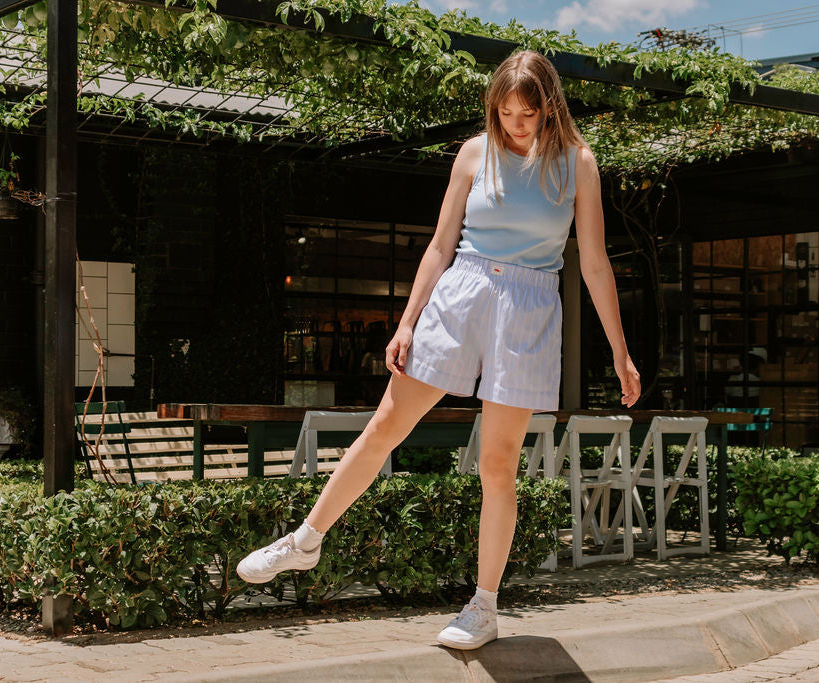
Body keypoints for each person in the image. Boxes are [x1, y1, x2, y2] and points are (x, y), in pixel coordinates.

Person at [236, 50, 641, 651]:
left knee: (498, 466)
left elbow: (595, 262)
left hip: (529, 305)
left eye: (527, 113)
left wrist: (620, 352)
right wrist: (406, 323)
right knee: (384, 425)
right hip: (463, 291)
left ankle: (483, 607)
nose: (516, 124)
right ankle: (306, 539)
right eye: (505, 113)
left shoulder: (577, 165)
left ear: (550, 107)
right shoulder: (475, 153)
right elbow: (440, 245)